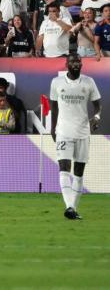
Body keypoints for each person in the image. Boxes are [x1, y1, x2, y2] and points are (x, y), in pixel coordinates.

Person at [49, 53, 101, 220]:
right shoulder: (56, 83)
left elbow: (97, 104)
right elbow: (54, 107)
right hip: (64, 131)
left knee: (78, 173)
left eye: (78, 61)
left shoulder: (89, 82)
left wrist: (97, 117)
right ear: (66, 64)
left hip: (83, 132)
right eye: (72, 61)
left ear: (82, 64)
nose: (76, 63)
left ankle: (73, 208)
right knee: (64, 168)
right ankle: (69, 207)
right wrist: (53, 127)